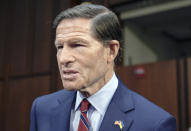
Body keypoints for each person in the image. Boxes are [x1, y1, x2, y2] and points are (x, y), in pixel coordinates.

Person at [30, 3, 176, 131]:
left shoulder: (154, 124)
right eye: (60, 47)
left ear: (111, 51)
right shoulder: (42, 109)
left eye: (77, 45)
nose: (63, 58)